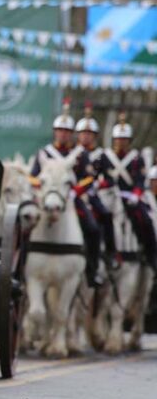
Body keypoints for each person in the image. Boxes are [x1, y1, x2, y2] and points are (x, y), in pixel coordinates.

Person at [30, 101, 104, 286]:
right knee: (26, 225)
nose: (63, 133)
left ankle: (91, 270)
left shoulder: (79, 154)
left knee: (93, 229)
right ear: (55, 132)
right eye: (60, 130)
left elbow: (89, 177)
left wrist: (74, 191)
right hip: (47, 198)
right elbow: (33, 177)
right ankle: (20, 266)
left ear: (72, 134)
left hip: (72, 199)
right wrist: (42, 187)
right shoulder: (45, 153)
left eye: (66, 131)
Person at [97, 114, 157, 272]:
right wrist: (102, 186)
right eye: (118, 139)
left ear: (129, 141)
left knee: (145, 220)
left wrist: (136, 195)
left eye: (124, 139)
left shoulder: (136, 158)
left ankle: (149, 253)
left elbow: (140, 180)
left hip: (130, 197)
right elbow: (98, 177)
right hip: (109, 196)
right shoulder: (105, 156)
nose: (121, 142)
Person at [75, 103, 118, 264]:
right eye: (83, 133)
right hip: (72, 192)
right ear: (78, 135)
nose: (86, 136)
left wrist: (101, 185)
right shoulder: (74, 153)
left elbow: (110, 178)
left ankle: (110, 251)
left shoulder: (101, 155)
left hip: (92, 194)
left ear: (95, 136)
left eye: (89, 133)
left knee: (106, 215)